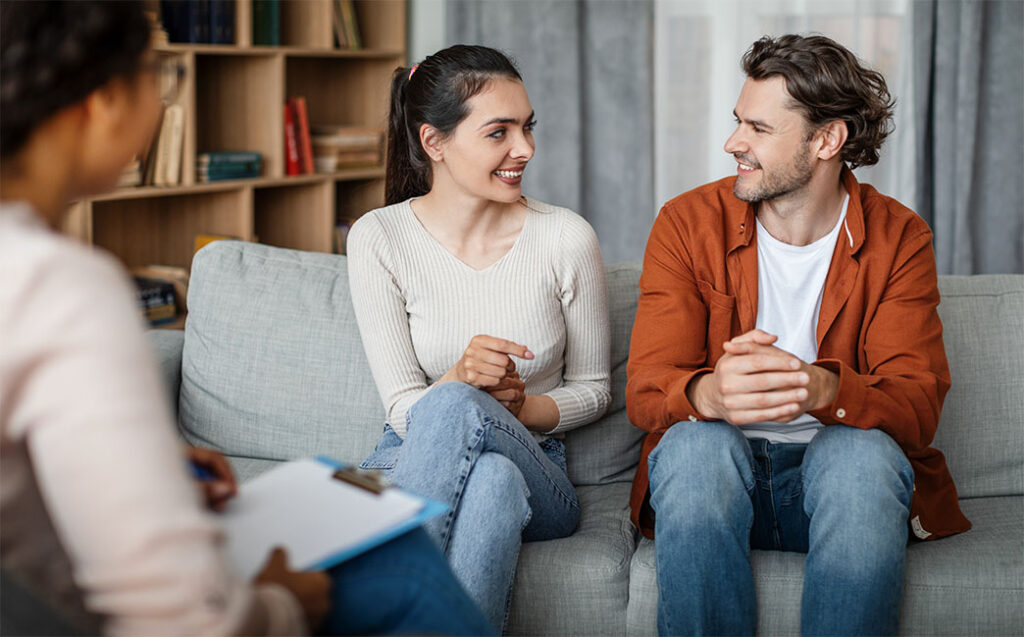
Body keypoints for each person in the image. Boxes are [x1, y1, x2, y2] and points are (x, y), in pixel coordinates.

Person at [0, 2, 492, 635]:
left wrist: (163, 474)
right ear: (102, 101)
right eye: (157, 71)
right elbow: (180, 618)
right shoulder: (58, 286)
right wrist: (281, 606)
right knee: (400, 561)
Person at [626, 34, 971, 636]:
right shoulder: (686, 223)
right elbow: (647, 391)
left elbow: (916, 406)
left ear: (827, 140)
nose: (734, 142)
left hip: (839, 492)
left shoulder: (899, 238)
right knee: (693, 445)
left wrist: (816, 388)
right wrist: (711, 395)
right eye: (738, 122)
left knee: (860, 456)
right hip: (715, 488)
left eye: (758, 129)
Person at [348, 44, 612, 631]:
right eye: (500, 132)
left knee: (468, 414)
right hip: (411, 457)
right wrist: (459, 382)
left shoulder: (565, 238)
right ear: (434, 142)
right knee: (490, 481)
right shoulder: (379, 238)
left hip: (540, 467)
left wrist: (526, 406)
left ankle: (371, 599)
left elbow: (594, 390)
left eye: (528, 126)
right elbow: (399, 410)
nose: (526, 149)